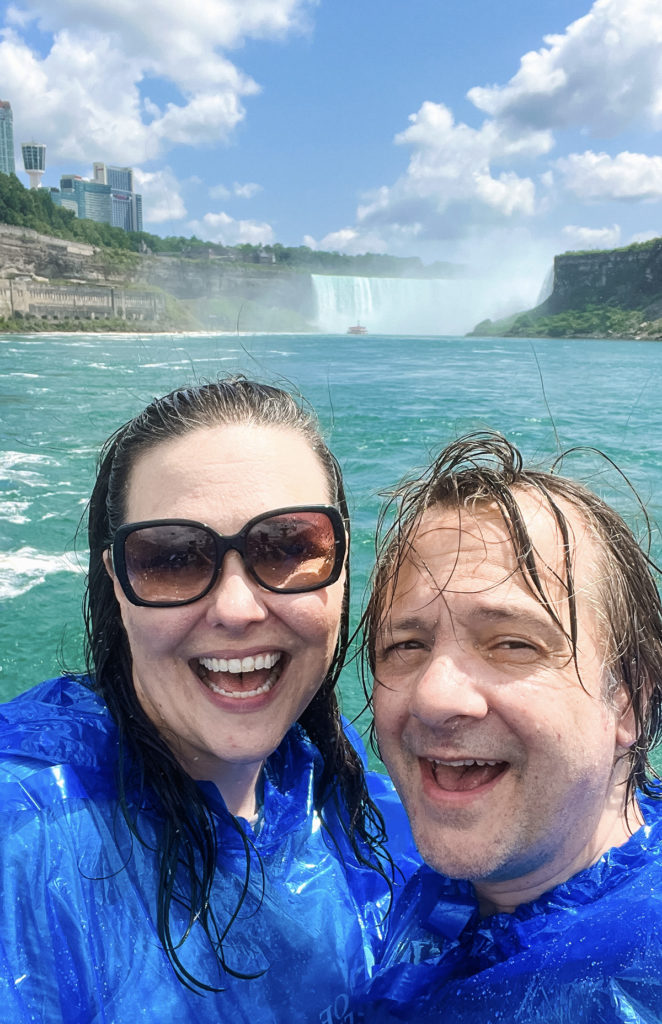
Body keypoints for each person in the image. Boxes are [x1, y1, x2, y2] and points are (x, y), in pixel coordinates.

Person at [0, 377, 417, 1024]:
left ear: (339, 565)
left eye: (287, 548)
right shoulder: (25, 831)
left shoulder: (327, 776)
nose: (236, 608)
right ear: (116, 582)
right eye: (171, 558)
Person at [359, 432, 662, 1023]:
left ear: (629, 701)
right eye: (406, 644)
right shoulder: (427, 890)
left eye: (513, 644)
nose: (432, 695)